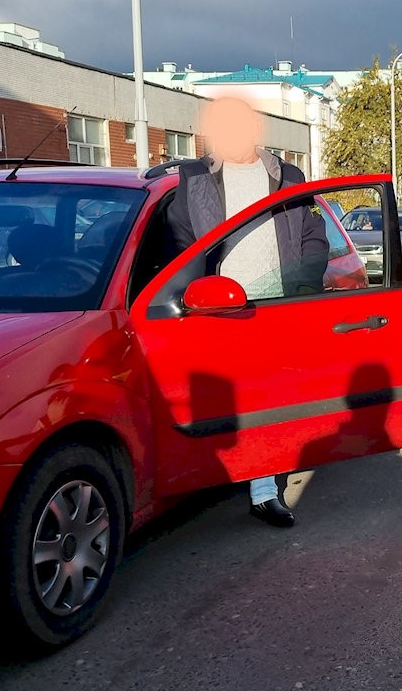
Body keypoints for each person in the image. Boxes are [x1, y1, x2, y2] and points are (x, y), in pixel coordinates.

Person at [166, 95, 329, 528]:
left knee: (267, 400)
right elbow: (181, 241)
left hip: (275, 306)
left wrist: (303, 290)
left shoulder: (286, 176)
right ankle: (219, 472)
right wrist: (189, 292)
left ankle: (262, 490)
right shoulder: (194, 177)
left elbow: (313, 235)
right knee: (223, 400)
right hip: (216, 306)